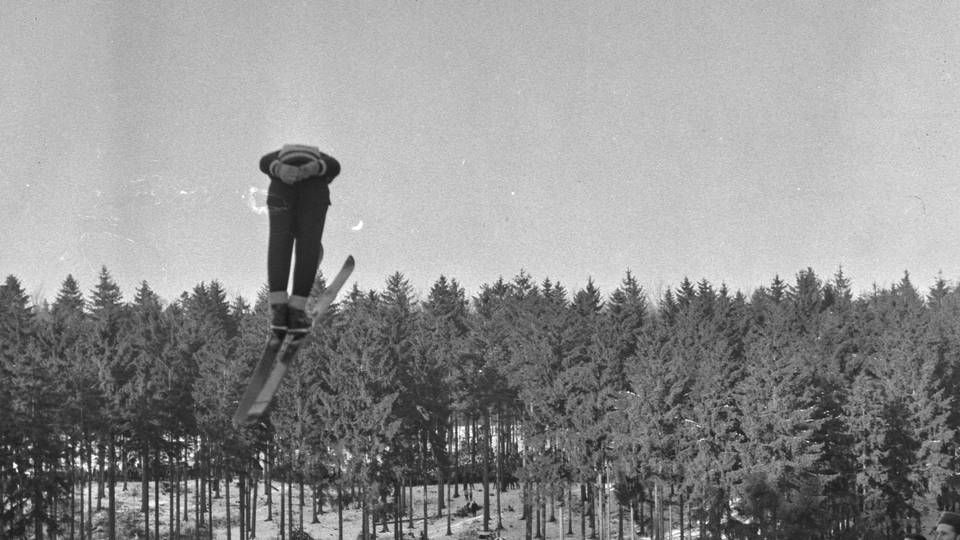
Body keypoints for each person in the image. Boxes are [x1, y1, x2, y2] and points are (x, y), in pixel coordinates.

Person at [259, 144, 340, 335]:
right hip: (314, 188)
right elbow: (334, 166)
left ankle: (280, 309)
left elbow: (264, 162)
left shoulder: (278, 157)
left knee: (280, 243)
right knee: (308, 247)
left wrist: (280, 169)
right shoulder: (321, 159)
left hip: (284, 186)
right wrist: (312, 169)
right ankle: (295, 308)